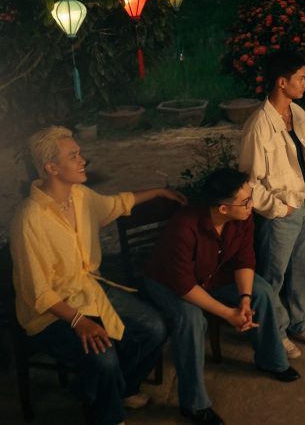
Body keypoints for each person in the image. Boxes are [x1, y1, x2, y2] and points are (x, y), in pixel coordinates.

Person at [9, 126, 183, 425]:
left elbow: (118, 203)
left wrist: (158, 191)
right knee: (104, 357)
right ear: (51, 168)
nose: (83, 160)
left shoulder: (80, 196)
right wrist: (80, 321)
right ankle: (109, 415)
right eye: (73, 156)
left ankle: (113, 389)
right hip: (48, 313)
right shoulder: (29, 219)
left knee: (154, 328)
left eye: (80, 154)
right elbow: (39, 293)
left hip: (90, 289)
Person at [143, 168, 299, 425]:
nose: (251, 205)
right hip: (168, 283)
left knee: (261, 291)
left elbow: (244, 258)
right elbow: (184, 285)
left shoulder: (243, 216)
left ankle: (271, 360)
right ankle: (194, 404)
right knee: (191, 319)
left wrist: (245, 298)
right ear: (223, 208)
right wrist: (229, 314)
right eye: (245, 201)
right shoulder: (184, 226)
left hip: (212, 274)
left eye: (251, 198)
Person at [239, 50, 305, 361]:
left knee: (303, 269)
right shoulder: (258, 126)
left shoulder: (298, 113)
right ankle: (276, 331)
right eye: (301, 78)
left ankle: (300, 322)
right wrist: (280, 209)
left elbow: (303, 156)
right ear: (281, 82)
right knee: (272, 276)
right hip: (280, 212)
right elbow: (249, 183)